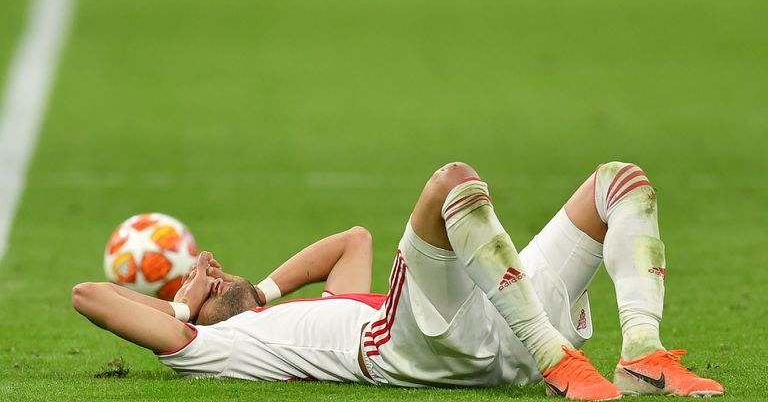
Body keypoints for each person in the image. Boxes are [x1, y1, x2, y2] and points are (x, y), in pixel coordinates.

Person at [72, 161, 724, 400]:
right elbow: (90, 297)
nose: (212, 271)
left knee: (619, 181)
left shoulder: (293, 314)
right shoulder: (216, 349)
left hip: (498, 316)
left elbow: (350, 242)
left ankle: (640, 351)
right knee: (450, 185)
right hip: (412, 347)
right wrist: (184, 310)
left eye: (215, 270)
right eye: (208, 283)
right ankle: (561, 361)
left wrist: (261, 289)